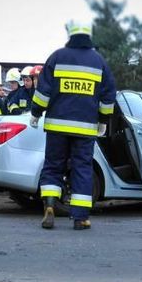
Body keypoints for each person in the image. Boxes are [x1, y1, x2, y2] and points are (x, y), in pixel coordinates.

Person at [30, 19, 116, 230]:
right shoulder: (99, 61)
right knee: (82, 169)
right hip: (85, 128)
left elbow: (43, 92)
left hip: (57, 126)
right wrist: (104, 121)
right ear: (89, 35)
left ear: (70, 35)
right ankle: (80, 218)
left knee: (53, 165)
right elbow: (108, 96)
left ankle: (49, 205)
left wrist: (35, 113)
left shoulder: (57, 57)